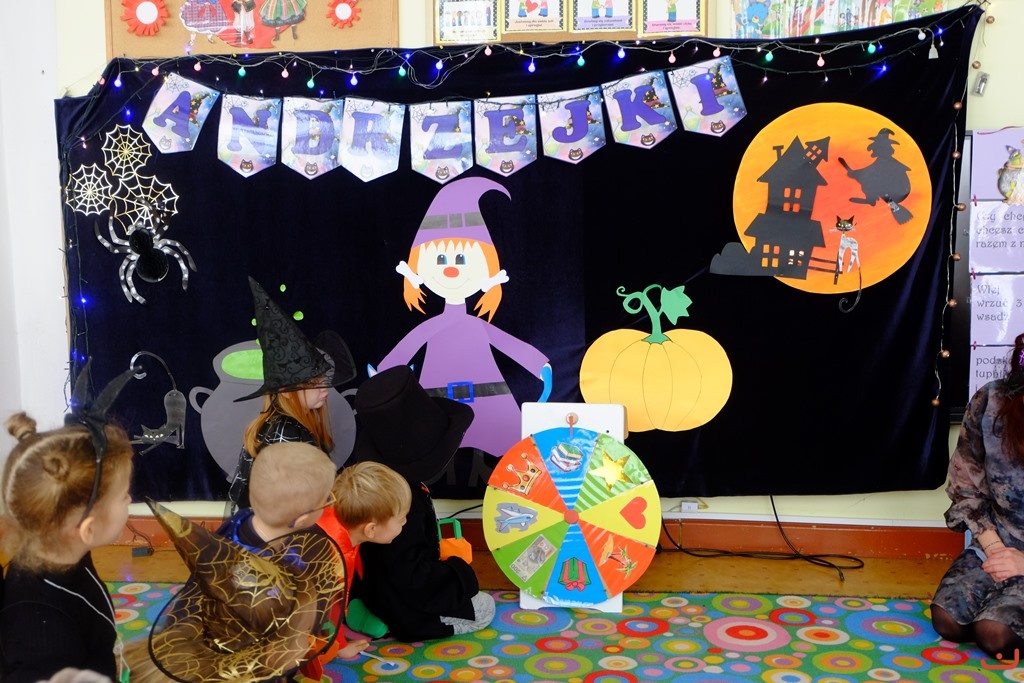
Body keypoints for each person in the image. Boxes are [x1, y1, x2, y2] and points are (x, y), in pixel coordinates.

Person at [125, 440, 346, 682]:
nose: (330, 502)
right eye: (327, 499)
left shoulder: (242, 519)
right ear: (302, 519)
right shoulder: (254, 577)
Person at [0, 363, 136, 683]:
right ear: (88, 529)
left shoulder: (61, 551)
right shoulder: (41, 635)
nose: (130, 500)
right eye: (123, 496)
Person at [350, 365, 495, 641]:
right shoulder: (405, 504)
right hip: (404, 604)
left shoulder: (389, 488)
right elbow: (412, 577)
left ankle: (372, 612)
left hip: (381, 588)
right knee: (484, 607)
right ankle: (394, 622)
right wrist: (459, 572)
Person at [932, 332, 1024, 660]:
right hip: (997, 542)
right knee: (948, 621)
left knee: (994, 634)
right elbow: (965, 486)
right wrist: (995, 548)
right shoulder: (991, 400)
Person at [227, 276, 355, 511]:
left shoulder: (282, 424)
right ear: (285, 392)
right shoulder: (287, 435)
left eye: (323, 380)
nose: (324, 389)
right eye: (313, 383)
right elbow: (292, 508)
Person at [299, 460, 412, 678]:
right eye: (401, 519)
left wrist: (339, 644)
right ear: (370, 529)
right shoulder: (330, 558)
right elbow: (330, 607)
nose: (405, 522)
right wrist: (337, 647)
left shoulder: (332, 519)